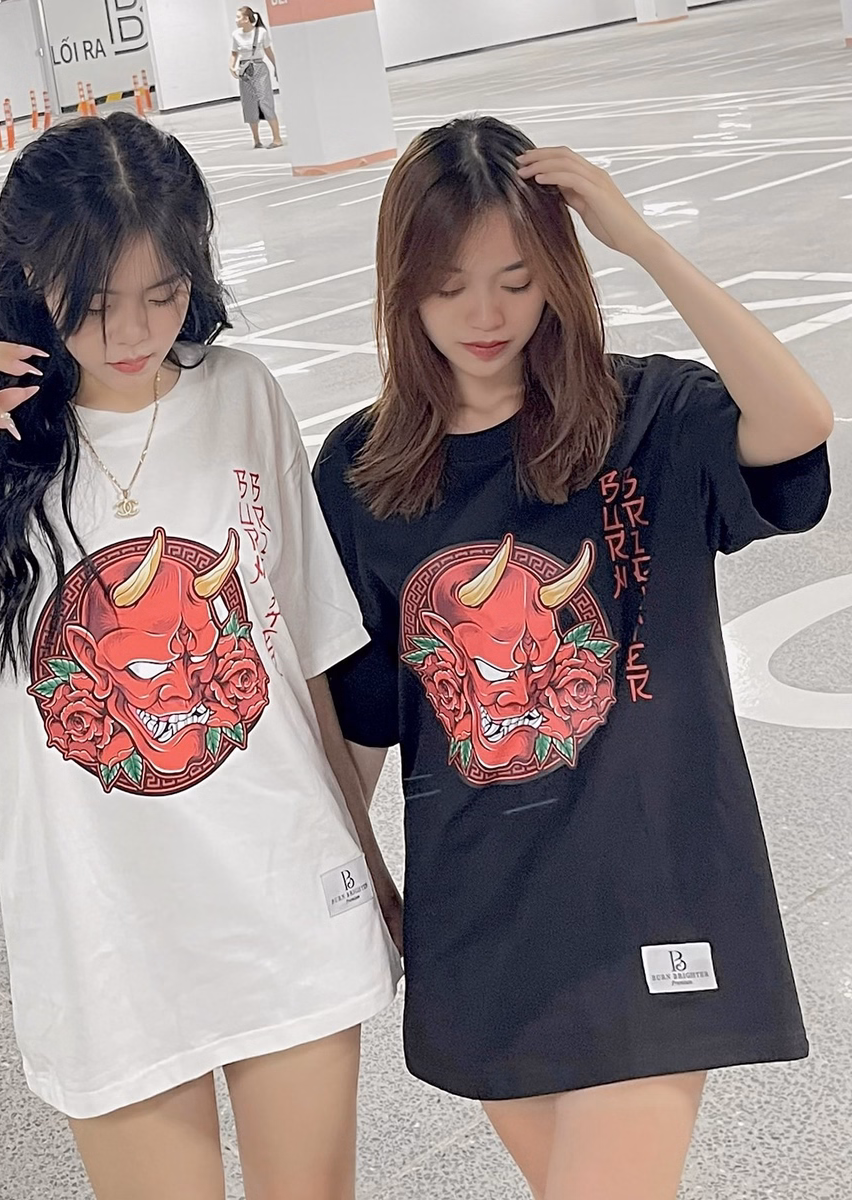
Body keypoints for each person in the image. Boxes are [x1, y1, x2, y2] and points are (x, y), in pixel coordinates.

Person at [0, 111, 401, 1200]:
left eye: (163, 294)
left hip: (284, 897)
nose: (133, 331)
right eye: (93, 302)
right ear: (33, 273)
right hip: (106, 936)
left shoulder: (241, 394)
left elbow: (303, 653)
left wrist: (368, 864)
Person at [313, 116, 833, 1200]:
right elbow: (359, 720)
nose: (487, 315)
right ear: (402, 287)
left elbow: (797, 422)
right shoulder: (363, 470)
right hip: (484, 912)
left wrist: (640, 241)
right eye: (450, 285)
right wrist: (362, 883)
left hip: (651, 889)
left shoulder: (644, 414)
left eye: (517, 279)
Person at [230, 7, 283, 150]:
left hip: (259, 67)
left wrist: (276, 67)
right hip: (244, 70)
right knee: (249, 103)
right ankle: (256, 139)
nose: (236, 20)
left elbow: (268, 51)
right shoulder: (236, 35)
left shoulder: (261, 33)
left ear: (246, 19)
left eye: (238, 17)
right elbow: (234, 53)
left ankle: (277, 138)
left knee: (265, 100)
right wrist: (231, 66)